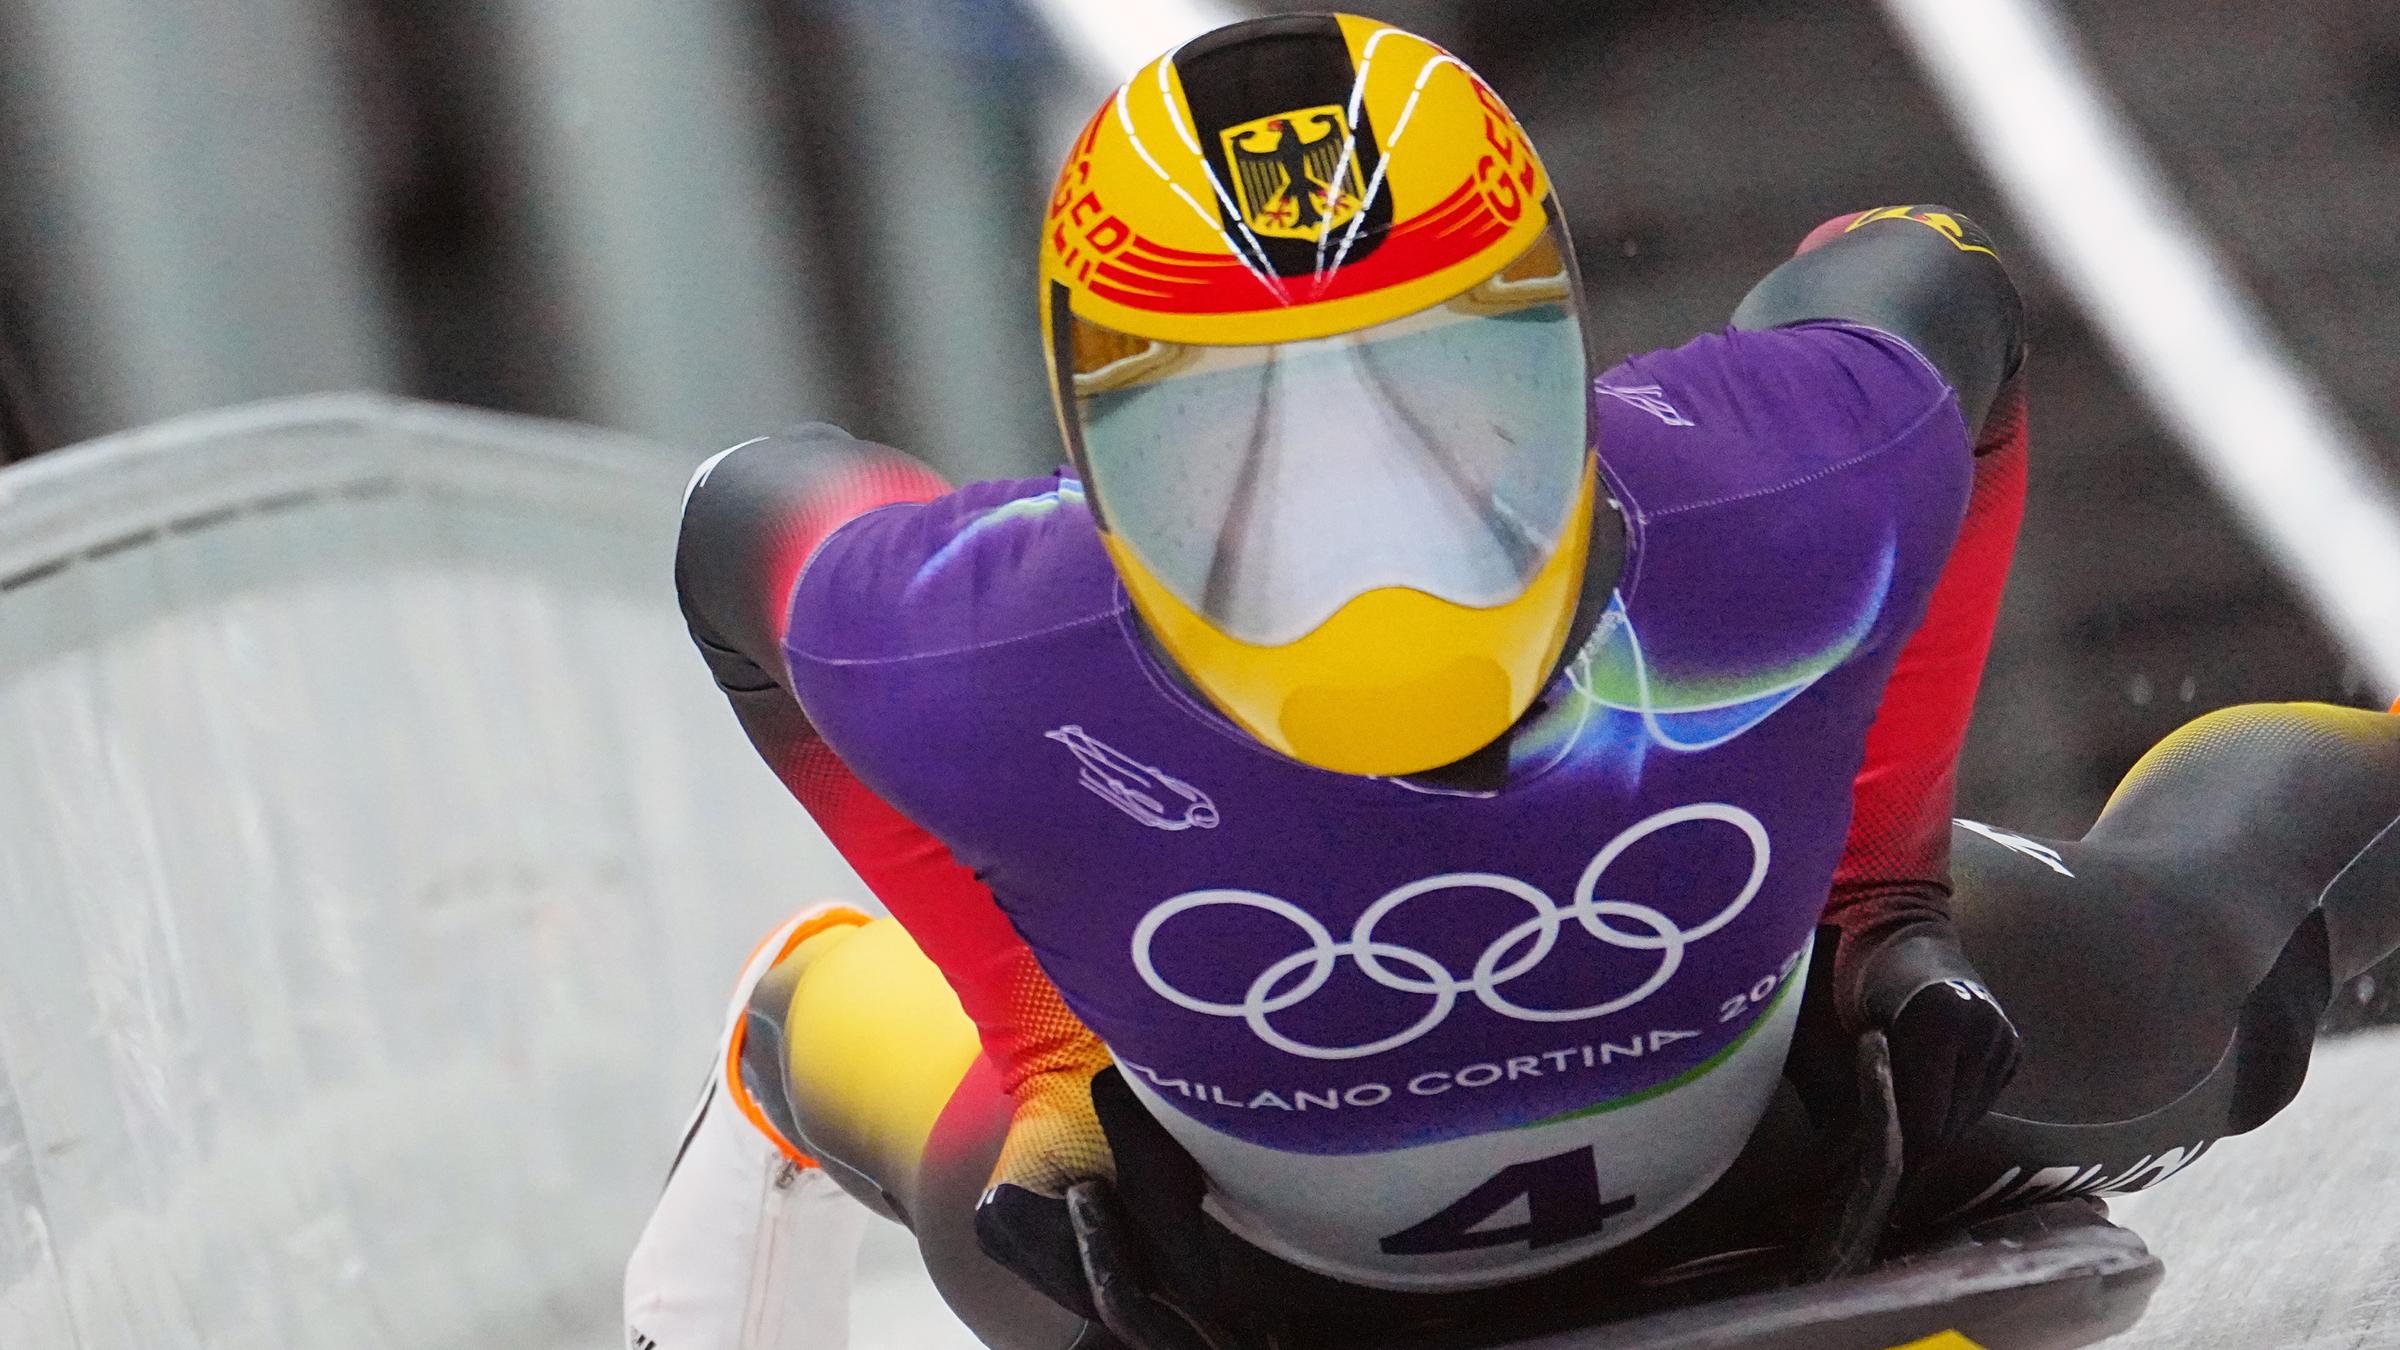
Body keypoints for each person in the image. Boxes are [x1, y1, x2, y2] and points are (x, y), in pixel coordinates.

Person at [625, 13, 2400, 1349]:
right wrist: (1036, 1045)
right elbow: (1927, 283)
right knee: (1025, 1238)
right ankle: (816, 1017)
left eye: (1433, 403)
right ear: (1100, 459)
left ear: (1559, 351)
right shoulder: (973, 644)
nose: (1359, 544)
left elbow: (741, 525)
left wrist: (1880, 892)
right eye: (1233, 449)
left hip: (1781, 1075)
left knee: (2209, 998)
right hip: (1217, 1249)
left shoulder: (1773, 490)